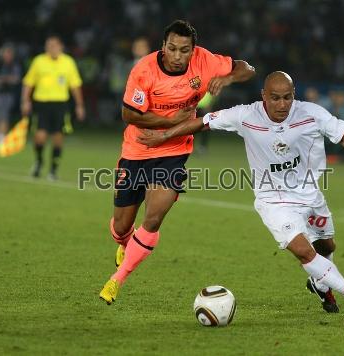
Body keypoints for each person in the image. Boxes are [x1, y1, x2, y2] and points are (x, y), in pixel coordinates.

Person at [137, 72, 344, 317]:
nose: (282, 104)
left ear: (293, 94)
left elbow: (342, 134)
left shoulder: (311, 113)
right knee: (303, 250)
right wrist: (164, 135)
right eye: (275, 98)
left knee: (326, 246)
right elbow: (202, 122)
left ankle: (319, 283)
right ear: (264, 95)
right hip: (272, 200)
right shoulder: (245, 115)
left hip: (310, 193)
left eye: (287, 97)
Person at [99, 20, 255, 305]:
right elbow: (130, 115)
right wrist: (170, 121)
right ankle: (124, 242)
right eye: (172, 48)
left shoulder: (204, 61)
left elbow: (248, 68)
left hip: (174, 150)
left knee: (155, 216)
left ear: (192, 50)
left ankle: (116, 280)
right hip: (139, 147)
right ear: (163, 46)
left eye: (184, 50)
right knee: (122, 226)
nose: (177, 56)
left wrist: (227, 78)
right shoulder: (144, 70)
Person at [21, 35, 85, 180]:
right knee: (40, 136)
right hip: (41, 104)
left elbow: (75, 85)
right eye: (48, 46)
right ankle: (38, 162)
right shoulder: (39, 61)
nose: (51, 48)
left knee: (58, 138)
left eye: (54, 45)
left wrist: (80, 105)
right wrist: (25, 101)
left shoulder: (68, 62)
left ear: (60, 46)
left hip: (60, 105)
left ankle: (53, 170)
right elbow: (28, 82)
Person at [0, 44, 21, 145]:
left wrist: (3, 79)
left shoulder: (15, 65)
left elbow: (16, 79)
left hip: (8, 94)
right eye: (5, 53)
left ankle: (2, 137)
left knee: (4, 114)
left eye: (9, 53)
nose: (6, 55)